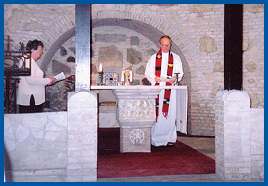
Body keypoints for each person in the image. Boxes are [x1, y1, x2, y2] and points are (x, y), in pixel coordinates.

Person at [145, 35, 184, 147]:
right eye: (163, 45)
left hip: (170, 90)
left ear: (170, 45)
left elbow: (179, 73)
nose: (165, 47)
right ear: (160, 44)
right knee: (157, 113)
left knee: (170, 114)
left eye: (167, 45)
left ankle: (169, 137)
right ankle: (156, 138)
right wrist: (155, 78)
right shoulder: (153, 58)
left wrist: (174, 79)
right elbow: (148, 73)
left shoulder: (176, 58)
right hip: (157, 89)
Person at [17, 39, 56, 113]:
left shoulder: (30, 61)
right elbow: (31, 80)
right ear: (32, 50)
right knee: (31, 122)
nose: (41, 53)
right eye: (40, 50)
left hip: (32, 98)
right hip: (30, 98)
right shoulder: (27, 60)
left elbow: (34, 78)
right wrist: (48, 80)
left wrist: (48, 81)